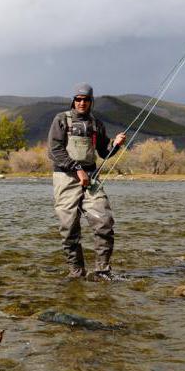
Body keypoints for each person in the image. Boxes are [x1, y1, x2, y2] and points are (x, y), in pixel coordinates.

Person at [47, 83, 126, 280]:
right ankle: (76, 272)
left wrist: (115, 145)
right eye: (78, 99)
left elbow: (104, 153)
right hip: (65, 178)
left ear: (91, 102)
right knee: (69, 228)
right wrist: (77, 169)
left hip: (92, 179)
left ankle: (103, 271)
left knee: (104, 223)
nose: (82, 103)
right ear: (74, 100)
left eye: (86, 100)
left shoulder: (96, 124)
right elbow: (54, 151)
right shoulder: (61, 120)